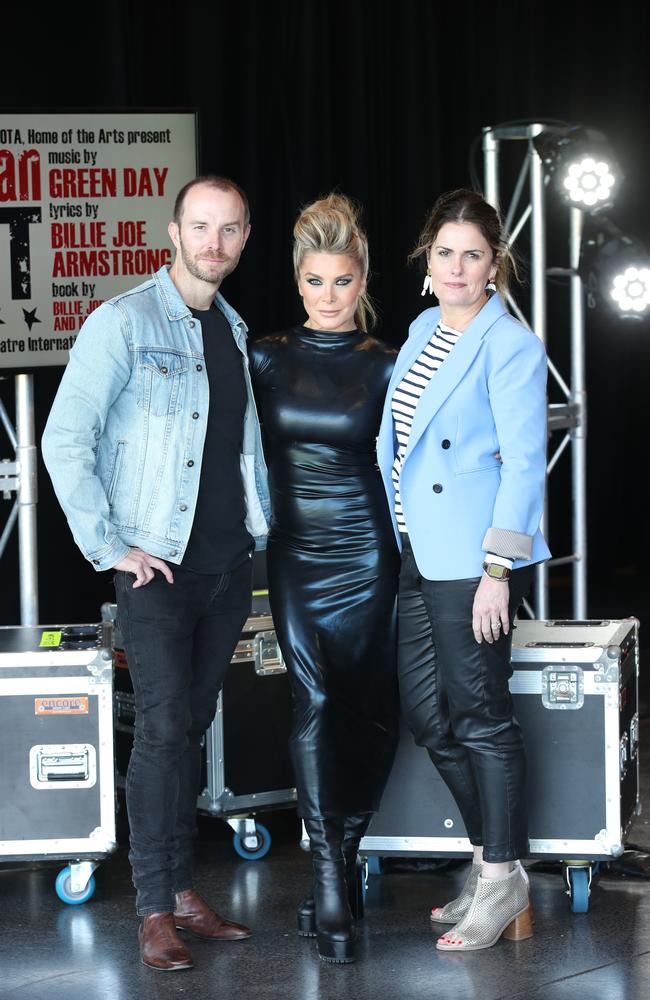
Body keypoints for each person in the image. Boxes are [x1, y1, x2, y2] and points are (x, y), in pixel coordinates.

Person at [42, 176, 269, 972]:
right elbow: (65, 440)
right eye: (200, 227)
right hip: (156, 571)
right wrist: (111, 547)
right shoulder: (125, 322)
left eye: (229, 230)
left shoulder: (235, 329)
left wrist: (257, 532)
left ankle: (180, 889)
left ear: (243, 238)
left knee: (191, 728)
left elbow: (239, 454)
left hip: (227, 566)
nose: (215, 243)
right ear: (172, 232)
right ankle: (152, 909)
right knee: (165, 731)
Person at [376, 188, 550, 952]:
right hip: (418, 554)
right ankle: (490, 863)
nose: (456, 267)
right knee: (428, 715)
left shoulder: (510, 345)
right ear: (426, 259)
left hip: (471, 559)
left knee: (482, 720)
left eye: (472, 255)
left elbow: (524, 464)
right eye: (444, 252)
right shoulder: (419, 330)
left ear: (494, 265)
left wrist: (497, 567)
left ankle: (505, 872)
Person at [249, 193, 399, 964]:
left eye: (342, 282)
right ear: (298, 281)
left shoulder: (386, 362)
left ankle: (341, 857)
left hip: (366, 551)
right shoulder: (266, 355)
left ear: (361, 278)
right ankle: (331, 884)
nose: (328, 297)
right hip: (297, 553)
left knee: (368, 713)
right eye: (315, 281)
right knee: (314, 696)